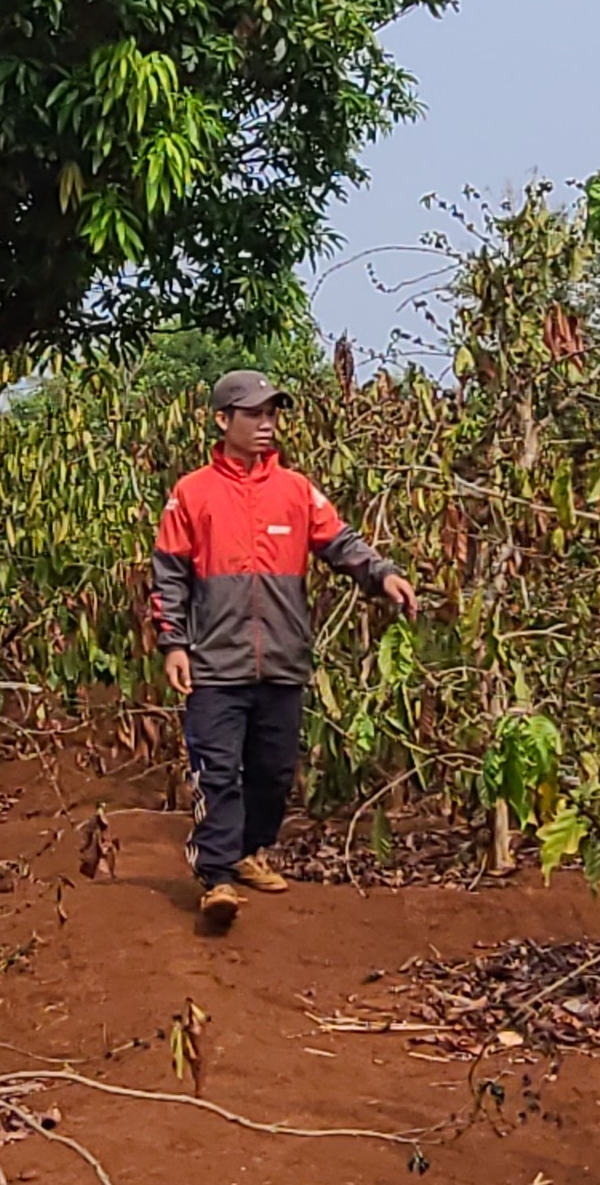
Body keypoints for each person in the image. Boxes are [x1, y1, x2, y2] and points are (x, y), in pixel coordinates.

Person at [147, 368, 420, 932]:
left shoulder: (296, 490)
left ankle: (250, 849)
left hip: (282, 659)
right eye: (254, 415)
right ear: (223, 421)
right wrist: (172, 643)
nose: (267, 424)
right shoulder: (192, 493)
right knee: (217, 770)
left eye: (272, 414)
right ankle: (217, 876)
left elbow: (339, 542)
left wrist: (383, 574)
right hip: (213, 662)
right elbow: (168, 572)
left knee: (273, 771)